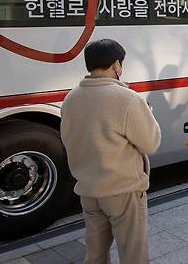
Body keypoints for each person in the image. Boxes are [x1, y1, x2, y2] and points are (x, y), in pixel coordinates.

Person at [60, 39, 161, 264]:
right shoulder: (127, 99)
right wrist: (149, 117)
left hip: (89, 191)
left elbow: (68, 139)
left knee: (95, 255)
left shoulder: (71, 98)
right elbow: (150, 143)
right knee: (133, 255)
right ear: (116, 65)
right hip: (122, 190)